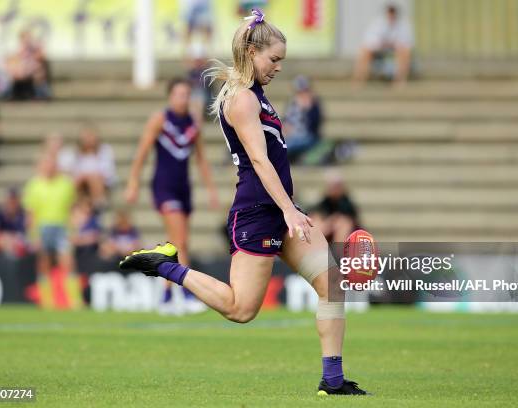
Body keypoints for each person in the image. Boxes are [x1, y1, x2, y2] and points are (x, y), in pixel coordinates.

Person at [120, 9, 370, 396]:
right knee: (241, 309)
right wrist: (289, 210)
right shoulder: (240, 100)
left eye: (282, 60)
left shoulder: (257, 96)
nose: (279, 67)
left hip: (280, 208)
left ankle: (333, 381)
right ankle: (166, 266)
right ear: (252, 52)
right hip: (258, 211)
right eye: (274, 59)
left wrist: (290, 208)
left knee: (333, 283)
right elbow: (258, 159)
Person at [124, 77, 218, 313]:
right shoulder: (160, 120)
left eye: (186, 95)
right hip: (163, 186)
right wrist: (133, 182)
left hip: (183, 187)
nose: (182, 99)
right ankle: (185, 294)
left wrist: (211, 189)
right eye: (178, 94)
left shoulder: (192, 124)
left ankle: (166, 296)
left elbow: (201, 160)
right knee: (181, 240)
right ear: (169, 97)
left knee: (178, 242)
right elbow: (142, 152)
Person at [22, 155, 76, 284]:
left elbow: (72, 209)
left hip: (62, 226)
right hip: (42, 227)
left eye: (52, 164)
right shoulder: (34, 184)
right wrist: (34, 235)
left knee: (67, 261)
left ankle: (73, 297)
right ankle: (45, 297)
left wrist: (73, 230)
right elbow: (30, 213)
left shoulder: (66, 183)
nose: (49, 167)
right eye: (46, 164)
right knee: (43, 263)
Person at [353, 3, 414, 86]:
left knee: (405, 52)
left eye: (393, 15)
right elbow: (369, 40)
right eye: (389, 15)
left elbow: (407, 42)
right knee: (364, 50)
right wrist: (382, 44)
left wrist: (394, 45)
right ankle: (359, 80)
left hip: (396, 51)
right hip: (378, 51)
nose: (391, 17)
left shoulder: (403, 25)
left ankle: (400, 81)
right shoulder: (377, 23)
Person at [59, 126, 116, 207]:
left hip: (101, 185)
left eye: (91, 136)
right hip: (80, 185)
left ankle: (97, 203)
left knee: (94, 178)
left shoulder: (105, 151)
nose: (88, 140)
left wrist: (87, 176)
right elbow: (67, 172)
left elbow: (107, 174)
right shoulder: (74, 153)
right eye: (86, 137)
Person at [309, 170, 359, 243]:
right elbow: (317, 213)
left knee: (342, 223)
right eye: (331, 186)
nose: (333, 189)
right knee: (316, 220)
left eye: (335, 186)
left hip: (344, 231)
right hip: (327, 228)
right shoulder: (325, 201)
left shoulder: (346, 203)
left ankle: (337, 252)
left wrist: (332, 221)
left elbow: (349, 217)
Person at [283, 75, 323, 163]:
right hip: (291, 136)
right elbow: (286, 121)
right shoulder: (292, 103)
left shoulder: (314, 104)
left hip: (308, 137)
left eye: (305, 91)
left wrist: (308, 109)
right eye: (300, 91)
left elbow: (315, 126)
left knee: (286, 145)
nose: (302, 94)